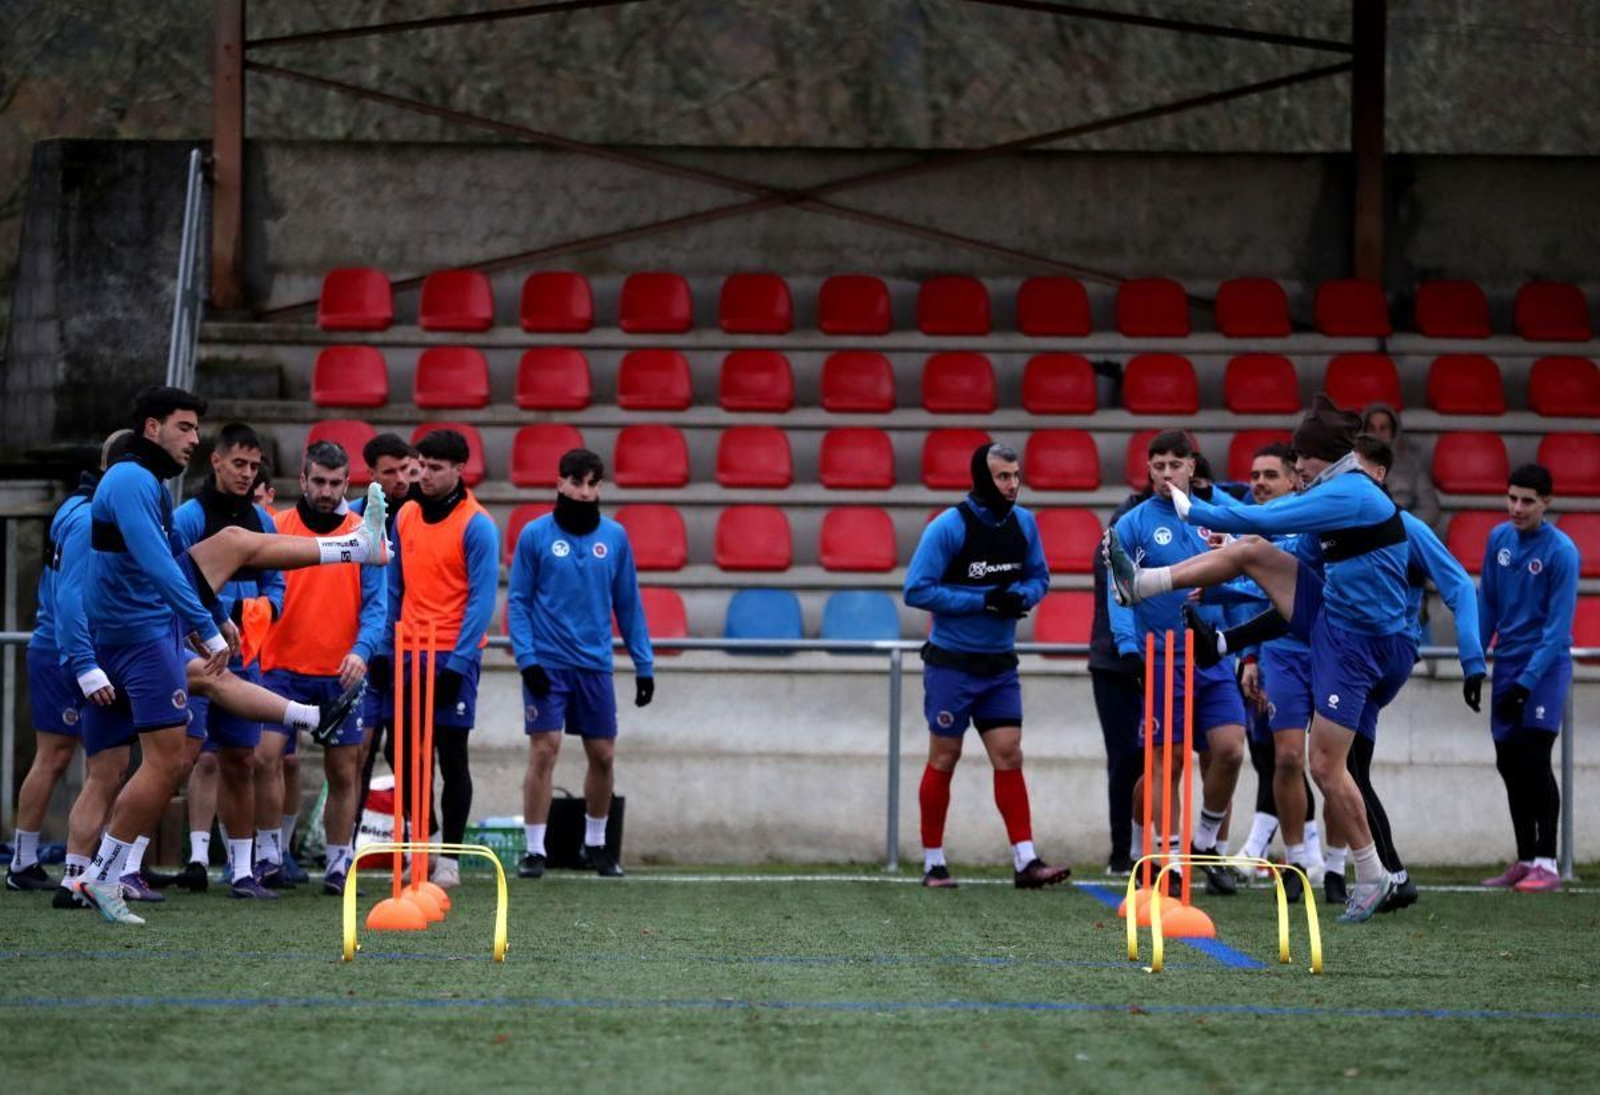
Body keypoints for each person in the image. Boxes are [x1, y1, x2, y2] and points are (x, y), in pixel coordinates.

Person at [72, 385, 390, 924]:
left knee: (237, 546)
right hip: (141, 635)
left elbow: (173, 558)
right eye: (185, 427)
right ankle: (101, 873)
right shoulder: (130, 481)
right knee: (166, 763)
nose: (194, 439)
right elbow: (157, 565)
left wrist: (216, 616)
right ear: (152, 428)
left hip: (136, 629)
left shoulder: (145, 482)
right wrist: (206, 626)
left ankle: (354, 553)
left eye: (197, 429)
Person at [1104, 395, 1427, 922]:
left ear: (1323, 456)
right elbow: (1283, 562)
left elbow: (1268, 518)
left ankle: (1373, 875)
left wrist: (1194, 508)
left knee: (1325, 766)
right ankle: (1142, 584)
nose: (1296, 467)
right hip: (1334, 620)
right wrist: (1226, 582)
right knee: (1252, 549)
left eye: (1301, 457)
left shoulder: (1349, 492)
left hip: (1358, 643)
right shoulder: (1333, 489)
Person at [903, 442, 1069, 890]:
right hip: (952, 665)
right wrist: (985, 601)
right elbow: (916, 590)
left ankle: (1025, 860)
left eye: (1016, 476)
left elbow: (1040, 578)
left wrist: (1021, 597)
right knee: (945, 756)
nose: (1012, 485)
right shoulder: (948, 526)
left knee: (1009, 753)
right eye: (1003, 477)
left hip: (999, 666)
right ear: (983, 478)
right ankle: (934, 863)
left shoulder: (1024, 523)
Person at [1107, 430, 1247, 897]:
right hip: (1162, 655)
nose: (1166, 474)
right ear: (1149, 470)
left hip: (1212, 655)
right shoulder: (1133, 524)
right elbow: (1120, 591)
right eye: (1158, 466)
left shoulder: (1215, 520)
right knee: (1166, 763)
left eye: (1175, 465)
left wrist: (1242, 647)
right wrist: (1128, 648)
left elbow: (1239, 583)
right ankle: (1164, 858)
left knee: (1229, 749)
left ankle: (1204, 840)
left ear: (1192, 467)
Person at [507, 448, 653, 879]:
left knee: (604, 755)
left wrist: (644, 664)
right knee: (544, 749)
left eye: (592, 484)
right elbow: (518, 603)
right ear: (560, 483)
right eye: (576, 482)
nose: (584, 492)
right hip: (547, 663)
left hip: (594, 665)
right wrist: (527, 659)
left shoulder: (616, 537)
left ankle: (597, 845)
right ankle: (535, 850)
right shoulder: (534, 535)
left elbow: (629, 604)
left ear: (600, 486)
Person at [255, 440, 385, 896]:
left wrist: (362, 651)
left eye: (335, 483)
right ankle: (270, 857)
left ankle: (337, 865)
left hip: (340, 673)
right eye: (319, 481)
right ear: (303, 480)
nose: (327, 491)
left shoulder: (365, 534)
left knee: (344, 771)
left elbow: (377, 607)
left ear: (347, 483)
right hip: (279, 667)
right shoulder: (276, 528)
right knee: (265, 758)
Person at [7, 431, 133, 892]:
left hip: (77, 648)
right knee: (59, 755)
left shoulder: (85, 508)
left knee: (106, 762)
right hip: (63, 649)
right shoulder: (86, 517)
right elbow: (70, 596)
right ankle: (24, 861)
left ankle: (101, 864)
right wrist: (83, 661)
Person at [172, 423, 285, 898]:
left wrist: (264, 612)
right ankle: (130, 862)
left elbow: (276, 585)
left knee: (241, 759)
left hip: (243, 659)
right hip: (194, 656)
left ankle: (241, 870)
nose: (246, 473)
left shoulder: (263, 521)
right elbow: (173, 583)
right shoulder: (188, 517)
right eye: (238, 463)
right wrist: (215, 620)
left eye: (254, 466)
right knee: (181, 758)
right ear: (215, 461)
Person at [382, 428, 497, 890]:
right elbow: (394, 588)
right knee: (401, 752)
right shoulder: (406, 515)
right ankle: (424, 839)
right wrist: (385, 648)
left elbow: (482, 600)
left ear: (458, 470)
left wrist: (459, 663)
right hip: (409, 650)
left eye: (434, 468)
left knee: (451, 755)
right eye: (420, 466)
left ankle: (450, 858)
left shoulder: (477, 524)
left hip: (452, 652)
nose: (423, 476)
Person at [1228, 442, 1324, 902]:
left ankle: (1331, 861)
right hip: (1275, 654)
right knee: (1280, 757)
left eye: (1270, 475)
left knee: (1328, 763)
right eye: (1254, 475)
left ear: (1293, 479)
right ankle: (1299, 859)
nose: (1260, 483)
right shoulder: (1252, 526)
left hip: (1325, 655)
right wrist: (1249, 657)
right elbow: (1251, 598)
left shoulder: (1313, 522)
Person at [1478, 463, 1578, 894]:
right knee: (1509, 763)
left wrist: (1527, 681)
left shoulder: (1562, 552)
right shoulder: (1498, 539)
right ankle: (1523, 860)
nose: (1517, 508)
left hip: (1545, 669)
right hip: (1507, 664)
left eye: (1527, 501)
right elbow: (1487, 603)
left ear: (1546, 503)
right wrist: (1474, 661)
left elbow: (1557, 629)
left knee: (1536, 759)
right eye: (1512, 498)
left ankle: (1547, 861)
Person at [353, 434, 419, 823]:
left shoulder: (421, 517)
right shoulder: (352, 518)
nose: (401, 479)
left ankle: (420, 839)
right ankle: (344, 846)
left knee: (408, 755)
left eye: (406, 470)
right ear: (371, 474)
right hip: (366, 653)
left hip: (410, 654)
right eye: (390, 472)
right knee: (356, 754)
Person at [1087, 482, 1150, 875]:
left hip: (1157, 658)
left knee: (1158, 758)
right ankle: (1123, 851)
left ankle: (1154, 848)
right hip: (1115, 662)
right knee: (1127, 757)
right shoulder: (1122, 529)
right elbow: (1120, 596)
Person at [1360, 403, 1440, 531]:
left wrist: (1402, 527)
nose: (1377, 434)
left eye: (1383, 428)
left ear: (1393, 432)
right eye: (1372, 428)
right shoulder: (1350, 463)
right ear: (1364, 432)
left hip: (1403, 532)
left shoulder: (1412, 464)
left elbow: (1429, 508)